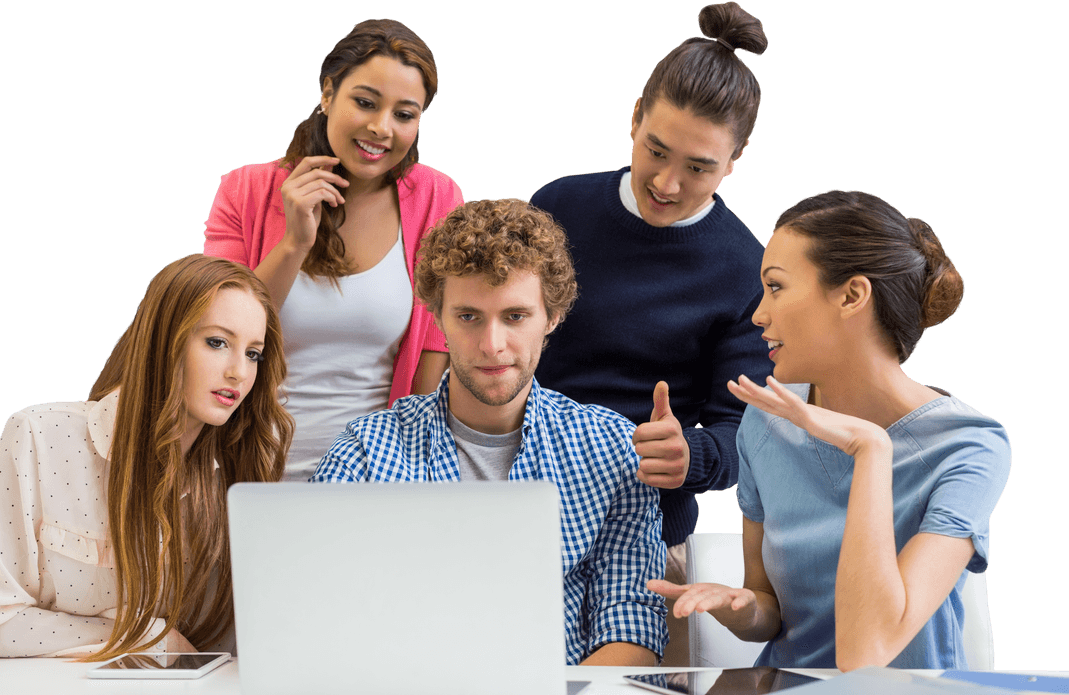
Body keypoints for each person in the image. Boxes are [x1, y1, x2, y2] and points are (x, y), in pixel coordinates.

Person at [649, 190, 1011, 670]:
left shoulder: (968, 448)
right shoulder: (764, 423)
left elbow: (866, 656)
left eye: (776, 287)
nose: (759, 314)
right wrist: (740, 609)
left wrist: (870, 449)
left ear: (851, 295)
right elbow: (769, 610)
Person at [312, 199, 668, 666]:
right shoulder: (367, 449)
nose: (492, 345)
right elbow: (324, 611)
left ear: (552, 318)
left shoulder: (610, 448)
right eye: (468, 316)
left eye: (515, 316)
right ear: (437, 319)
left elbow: (632, 623)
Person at [529, 1, 773, 663]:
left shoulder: (745, 270)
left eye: (698, 167)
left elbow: (742, 437)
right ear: (635, 116)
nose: (667, 183)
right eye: (654, 151)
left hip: (642, 526)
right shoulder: (557, 207)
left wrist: (688, 455)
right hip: (517, 507)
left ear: (735, 160)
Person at [203, 19, 463, 479]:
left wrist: (409, 477)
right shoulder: (244, 191)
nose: (381, 128)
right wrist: (294, 244)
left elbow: (434, 351)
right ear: (327, 94)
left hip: (376, 476)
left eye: (404, 114)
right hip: (247, 467)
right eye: (365, 102)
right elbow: (215, 334)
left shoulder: (437, 198)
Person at [0, 254, 293, 659]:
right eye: (217, 342)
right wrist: (145, 637)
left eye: (253, 354)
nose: (238, 373)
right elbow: (4, 622)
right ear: (164, 340)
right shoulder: (38, 437)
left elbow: (234, 647)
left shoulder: (235, 481)